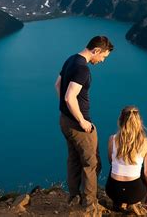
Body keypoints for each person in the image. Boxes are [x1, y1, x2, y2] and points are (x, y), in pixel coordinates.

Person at [55, 36, 114, 213]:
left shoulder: (71, 59)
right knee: (92, 163)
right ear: (96, 50)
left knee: (74, 158)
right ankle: (89, 206)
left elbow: (58, 85)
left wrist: (67, 110)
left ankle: (74, 196)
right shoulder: (83, 69)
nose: (102, 61)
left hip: (64, 120)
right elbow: (69, 96)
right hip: (78, 125)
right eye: (103, 56)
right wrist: (81, 120)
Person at [106, 106, 147, 213]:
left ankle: (118, 203)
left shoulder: (112, 139)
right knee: (143, 171)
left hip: (113, 190)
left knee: (114, 165)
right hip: (134, 194)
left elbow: (111, 161)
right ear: (139, 122)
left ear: (120, 120)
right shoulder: (146, 143)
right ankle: (131, 203)